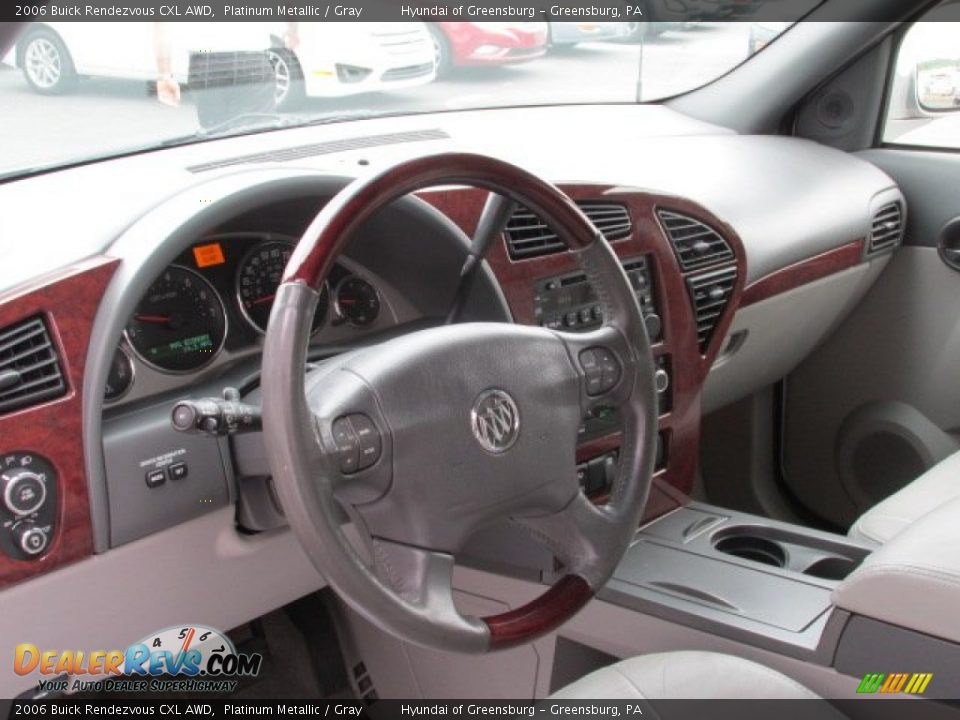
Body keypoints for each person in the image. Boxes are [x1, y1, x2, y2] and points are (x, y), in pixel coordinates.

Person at [154, 23, 299, 129]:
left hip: (206, 64)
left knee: (216, 137)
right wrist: (292, 29)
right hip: (252, 61)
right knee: (256, 138)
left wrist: (165, 75)